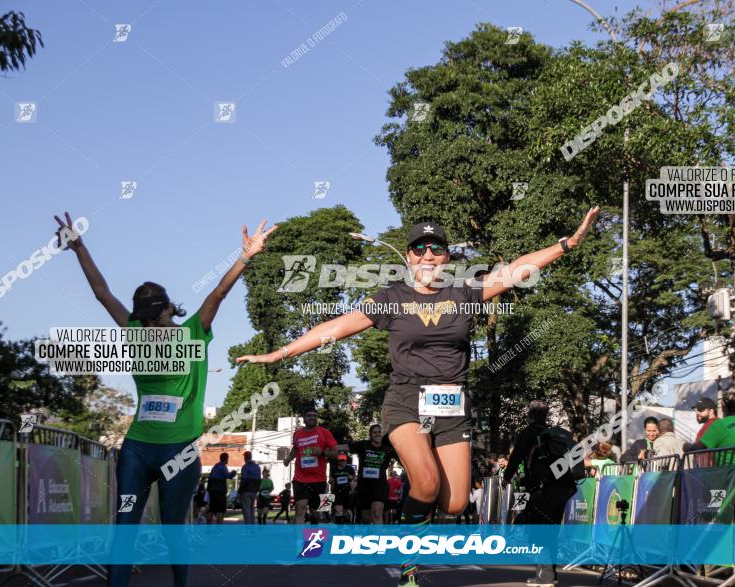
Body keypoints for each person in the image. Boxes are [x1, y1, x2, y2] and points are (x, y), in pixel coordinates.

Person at [237, 208, 599, 585]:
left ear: (446, 257)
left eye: (436, 249)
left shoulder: (464, 293)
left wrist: (567, 244)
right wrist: (280, 353)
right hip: (406, 401)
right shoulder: (391, 298)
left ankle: (416, 521)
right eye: (420, 248)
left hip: (453, 406)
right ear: (409, 256)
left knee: (455, 502)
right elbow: (336, 326)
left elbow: (518, 269)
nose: (428, 256)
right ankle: (409, 568)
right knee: (425, 482)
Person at [54, 212, 275, 586]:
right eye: (142, 318)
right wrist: (80, 248)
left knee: (175, 530)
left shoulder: (195, 331)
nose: (147, 325)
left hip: (181, 451)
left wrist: (245, 256)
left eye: (152, 317)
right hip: (138, 448)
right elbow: (102, 293)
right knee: (125, 528)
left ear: (168, 309)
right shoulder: (136, 330)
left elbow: (218, 293)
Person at [502, 400, 579, 587]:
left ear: (530, 415)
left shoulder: (528, 433)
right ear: (546, 415)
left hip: (541, 488)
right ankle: (547, 574)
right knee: (551, 529)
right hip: (563, 487)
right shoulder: (555, 435)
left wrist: (506, 478)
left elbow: (516, 457)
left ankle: (545, 577)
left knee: (538, 530)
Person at [282, 407, 340, 524]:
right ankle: (299, 541)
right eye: (309, 415)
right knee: (300, 509)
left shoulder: (324, 433)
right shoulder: (297, 434)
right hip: (300, 478)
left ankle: (313, 538)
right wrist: (288, 458)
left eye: (315, 415)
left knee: (316, 513)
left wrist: (323, 452)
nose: (312, 417)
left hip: (319, 479)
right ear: (304, 418)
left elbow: (336, 453)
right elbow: (295, 448)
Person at [684, 393, 735, 464]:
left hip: (728, 473)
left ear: (723, 405)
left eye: (701, 410)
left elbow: (699, 447)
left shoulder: (719, 424)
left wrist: (687, 447)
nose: (697, 413)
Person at [347, 424, 397, 524]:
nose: (377, 434)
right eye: (375, 432)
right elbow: (344, 447)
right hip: (364, 486)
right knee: (366, 516)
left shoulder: (388, 449)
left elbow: (403, 455)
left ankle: (380, 538)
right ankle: (372, 532)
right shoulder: (363, 445)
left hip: (380, 485)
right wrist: (326, 449)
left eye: (379, 432)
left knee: (377, 513)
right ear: (370, 434)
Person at [208, 453, 237, 524]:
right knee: (220, 510)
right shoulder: (223, 466)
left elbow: (210, 477)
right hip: (220, 491)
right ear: (226, 458)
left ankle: (208, 527)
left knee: (211, 509)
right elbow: (228, 476)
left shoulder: (215, 466)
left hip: (212, 491)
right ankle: (219, 529)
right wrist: (234, 472)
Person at [329, 453, 356, 524]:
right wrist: (331, 482)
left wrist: (352, 477)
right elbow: (331, 479)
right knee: (338, 510)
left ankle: (346, 524)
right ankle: (339, 528)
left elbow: (355, 478)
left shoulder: (350, 468)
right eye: (341, 460)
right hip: (338, 492)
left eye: (343, 460)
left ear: (346, 461)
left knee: (346, 511)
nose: (342, 462)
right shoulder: (334, 469)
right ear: (338, 461)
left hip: (347, 492)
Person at [238, 451, 261, 524]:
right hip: (254, 491)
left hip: (246, 491)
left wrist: (239, 491)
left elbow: (243, 480)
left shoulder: (245, 467)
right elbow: (259, 479)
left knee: (246, 510)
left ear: (245, 458)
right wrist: (257, 489)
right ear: (251, 457)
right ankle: (252, 527)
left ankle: (248, 528)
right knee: (252, 510)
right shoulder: (257, 467)